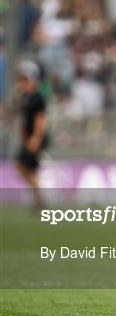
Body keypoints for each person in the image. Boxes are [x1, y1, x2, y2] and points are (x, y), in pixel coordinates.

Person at [15, 60, 48, 208]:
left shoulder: (37, 98)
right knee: (28, 169)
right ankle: (38, 200)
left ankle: (39, 199)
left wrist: (36, 138)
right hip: (28, 138)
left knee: (24, 166)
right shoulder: (25, 97)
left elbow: (40, 119)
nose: (22, 83)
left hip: (33, 138)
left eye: (25, 80)